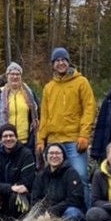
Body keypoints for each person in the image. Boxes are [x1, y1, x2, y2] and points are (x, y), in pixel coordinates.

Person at [36, 47, 96, 206]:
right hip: (54, 142)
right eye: (57, 60)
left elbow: (89, 109)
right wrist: (41, 140)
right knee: (55, 180)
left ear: (68, 62)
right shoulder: (49, 87)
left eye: (63, 60)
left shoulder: (81, 82)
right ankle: (60, 217)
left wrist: (84, 135)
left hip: (74, 141)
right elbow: (44, 116)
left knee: (81, 176)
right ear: (53, 64)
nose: (60, 63)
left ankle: (87, 216)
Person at [0, 62, 39, 152]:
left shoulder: (29, 94)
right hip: (5, 141)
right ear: (7, 76)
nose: (15, 77)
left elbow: (38, 115)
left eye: (17, 74)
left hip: (26, 142)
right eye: (12, 74)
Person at [31, 143, 86, 221]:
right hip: (46, 215)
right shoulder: (41, 176)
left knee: (72, 213)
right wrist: (41, 214)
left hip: (65, 212)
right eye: (51, 153)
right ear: (46, 156)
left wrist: (52, 212)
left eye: (57, 153)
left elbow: (75, 200)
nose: (54, 156)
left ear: (63, 156)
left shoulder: (71, 173)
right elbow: (35, 199)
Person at [0, 124, 37, 219]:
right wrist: (9, 188)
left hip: (23, 195)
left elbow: (26, 182)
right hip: (5, 193)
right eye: (5, 136)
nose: (8, 139)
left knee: (14, 198)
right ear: (0, 139)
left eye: (11, 135)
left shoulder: (26, 154)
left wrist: (5, 190)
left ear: (16, 137)